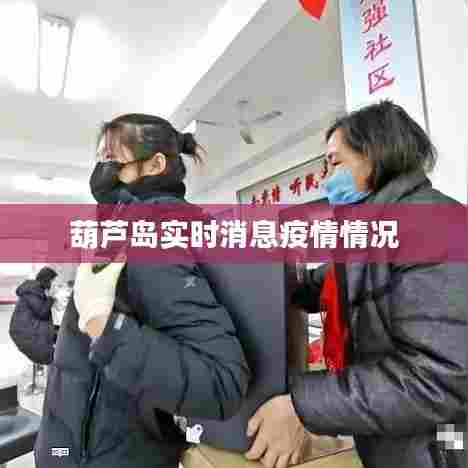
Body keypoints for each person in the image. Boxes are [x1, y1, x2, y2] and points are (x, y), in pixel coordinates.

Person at [244, 101, 467, 468]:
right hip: (395, 445)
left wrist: (304, 405)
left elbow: (439, 377)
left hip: (441, 450)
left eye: (334, 163)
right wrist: (261, 268)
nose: (325, 179)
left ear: (375, 156)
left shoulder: (433, 225)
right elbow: (316, 285)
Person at [34, 114, 250, 468]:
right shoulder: (123, 228)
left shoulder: (154, 236)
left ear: (155, 164)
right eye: (99, 159)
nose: (101, 171)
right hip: (73, 448)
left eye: (111, 159)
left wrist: (106, 328)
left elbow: (222, 383)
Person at [9, 266, 58, 365]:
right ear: (47, 280)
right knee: (55, 352)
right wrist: (51, 298)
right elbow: (42, 313)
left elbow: (41, 313)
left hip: (28, 330)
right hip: (27, 333)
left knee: (60, 333)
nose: (55, 285)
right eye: (54, 281)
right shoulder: (32, 292)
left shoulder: (35, 290)